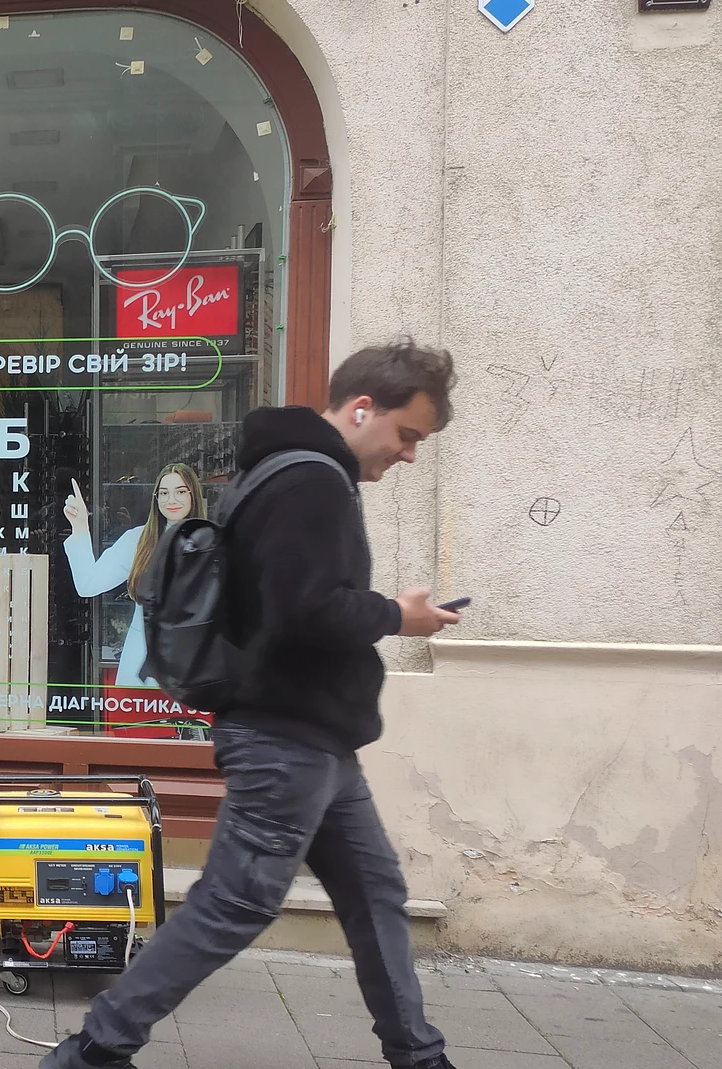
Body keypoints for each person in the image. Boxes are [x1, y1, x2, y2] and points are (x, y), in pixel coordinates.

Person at [42, 339, 463, 1069]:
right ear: (362, 409)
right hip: (286, 737)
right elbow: (307, 611)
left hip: (319, 739)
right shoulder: (312, 482)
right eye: (407, 435)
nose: (410, 455)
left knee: (375, 895)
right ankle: (93, 1050)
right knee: (235, 903)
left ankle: (419, 1056)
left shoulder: (289, 470)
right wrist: (399, 614)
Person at [61, 463, 206, 687]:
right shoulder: (137, 541)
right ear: (156, 499)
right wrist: (80, 528)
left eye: (180, 491)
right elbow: (88, 585)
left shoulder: (212, 542)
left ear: (193, 495)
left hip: (196, 665)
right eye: (164, 493)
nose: (171, 500)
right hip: (143, 668)